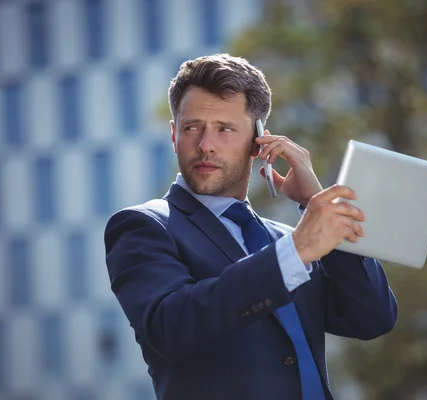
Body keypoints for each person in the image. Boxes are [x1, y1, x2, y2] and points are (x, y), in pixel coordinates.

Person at [104, 53, 398, 400]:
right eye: (191, 127)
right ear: (174, 134)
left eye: (224, 129)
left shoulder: (286, 239)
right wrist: (297, 250)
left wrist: (317, 204)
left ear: (259, 140)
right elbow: (171, 327)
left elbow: (372, 318)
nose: (205, 145)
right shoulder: (143, 226)